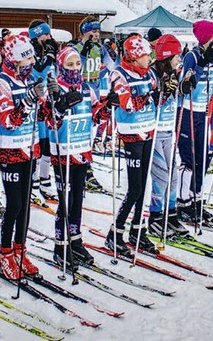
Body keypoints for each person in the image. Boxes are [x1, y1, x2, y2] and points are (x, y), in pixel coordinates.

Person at [48, 47, 111, 265]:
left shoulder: (86, 88)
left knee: (78, 199)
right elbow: (49, 121)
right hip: (63, 152)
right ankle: (60, 246)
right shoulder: (56, 88)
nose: (75, 69)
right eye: (70, 65)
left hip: (82, 150)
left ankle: (75, 241)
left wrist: (108, 106)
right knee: (66, 200)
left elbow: (95, 116)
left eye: (77, 64)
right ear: (61, 66)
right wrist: (61, 105)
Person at [0, 35, 50, 278]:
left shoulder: (29, 79)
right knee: (14, 204)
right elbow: (8, 122)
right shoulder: (2, 81)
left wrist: (49, 99)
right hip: (10, 149)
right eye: (26, 57)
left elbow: (43, 116)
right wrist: (29, 99)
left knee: (26, 205)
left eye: (31, 56)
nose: (31, 61)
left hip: (30, 147)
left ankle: (20, 249)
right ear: (14, 58)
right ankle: (5, 253)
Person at [105, 35, 160, 255]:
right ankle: (115, 232)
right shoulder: (120, 74)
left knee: (143, 186)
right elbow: (126, 104)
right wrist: (147, 96)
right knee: (135, 188)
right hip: (131, 134)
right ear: (136, 57)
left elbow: (157, 94)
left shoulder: (150, 73)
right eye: (146, 55)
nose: (150, 59)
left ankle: (137, 230)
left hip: (148, 130)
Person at [176, 20, 213, 222]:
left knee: (203, 158)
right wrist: (200, 67)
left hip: (204, 111)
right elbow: (183, 85)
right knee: (189, 157)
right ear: (206, 38)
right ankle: (182, 201)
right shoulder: (192, 56)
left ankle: (196, 199)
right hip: (187, 110)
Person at [146, 34, 189, 237]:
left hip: (169, 130)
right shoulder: (152, 74)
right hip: (154, 132)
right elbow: (147, 100)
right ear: (167, 56)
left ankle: (170, 214)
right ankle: (155, 216)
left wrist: (184, 88)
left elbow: (177, 95)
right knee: (161, 177)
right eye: (176, 56)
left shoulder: (173, 73)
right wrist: (159, 93)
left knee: (172, 176)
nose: (179, 60)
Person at [73, 16, 115, 193]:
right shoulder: (76, 47)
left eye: (98, 31)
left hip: (95, 92)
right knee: (79, 132)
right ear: (84, 32)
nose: (96, 35)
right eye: (93, 31)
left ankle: (86, 168)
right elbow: (71, 66)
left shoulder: (100, 48)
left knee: (90, 132)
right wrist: (82, 52)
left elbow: (112, 66)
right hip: (79, 93)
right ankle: (80, 169)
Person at [28, 20, 58, 201]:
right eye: (44, 35)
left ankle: (45, 179)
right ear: (36, 36)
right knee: (37, 145)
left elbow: (50, 73)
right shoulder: (30, 51)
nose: (48, 38)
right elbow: (37, 72)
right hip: (33, 102)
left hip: (46, 102)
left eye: (48, 35)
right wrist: (49, 56)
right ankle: (33, 183)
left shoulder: (47, 50)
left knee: (48, 145)